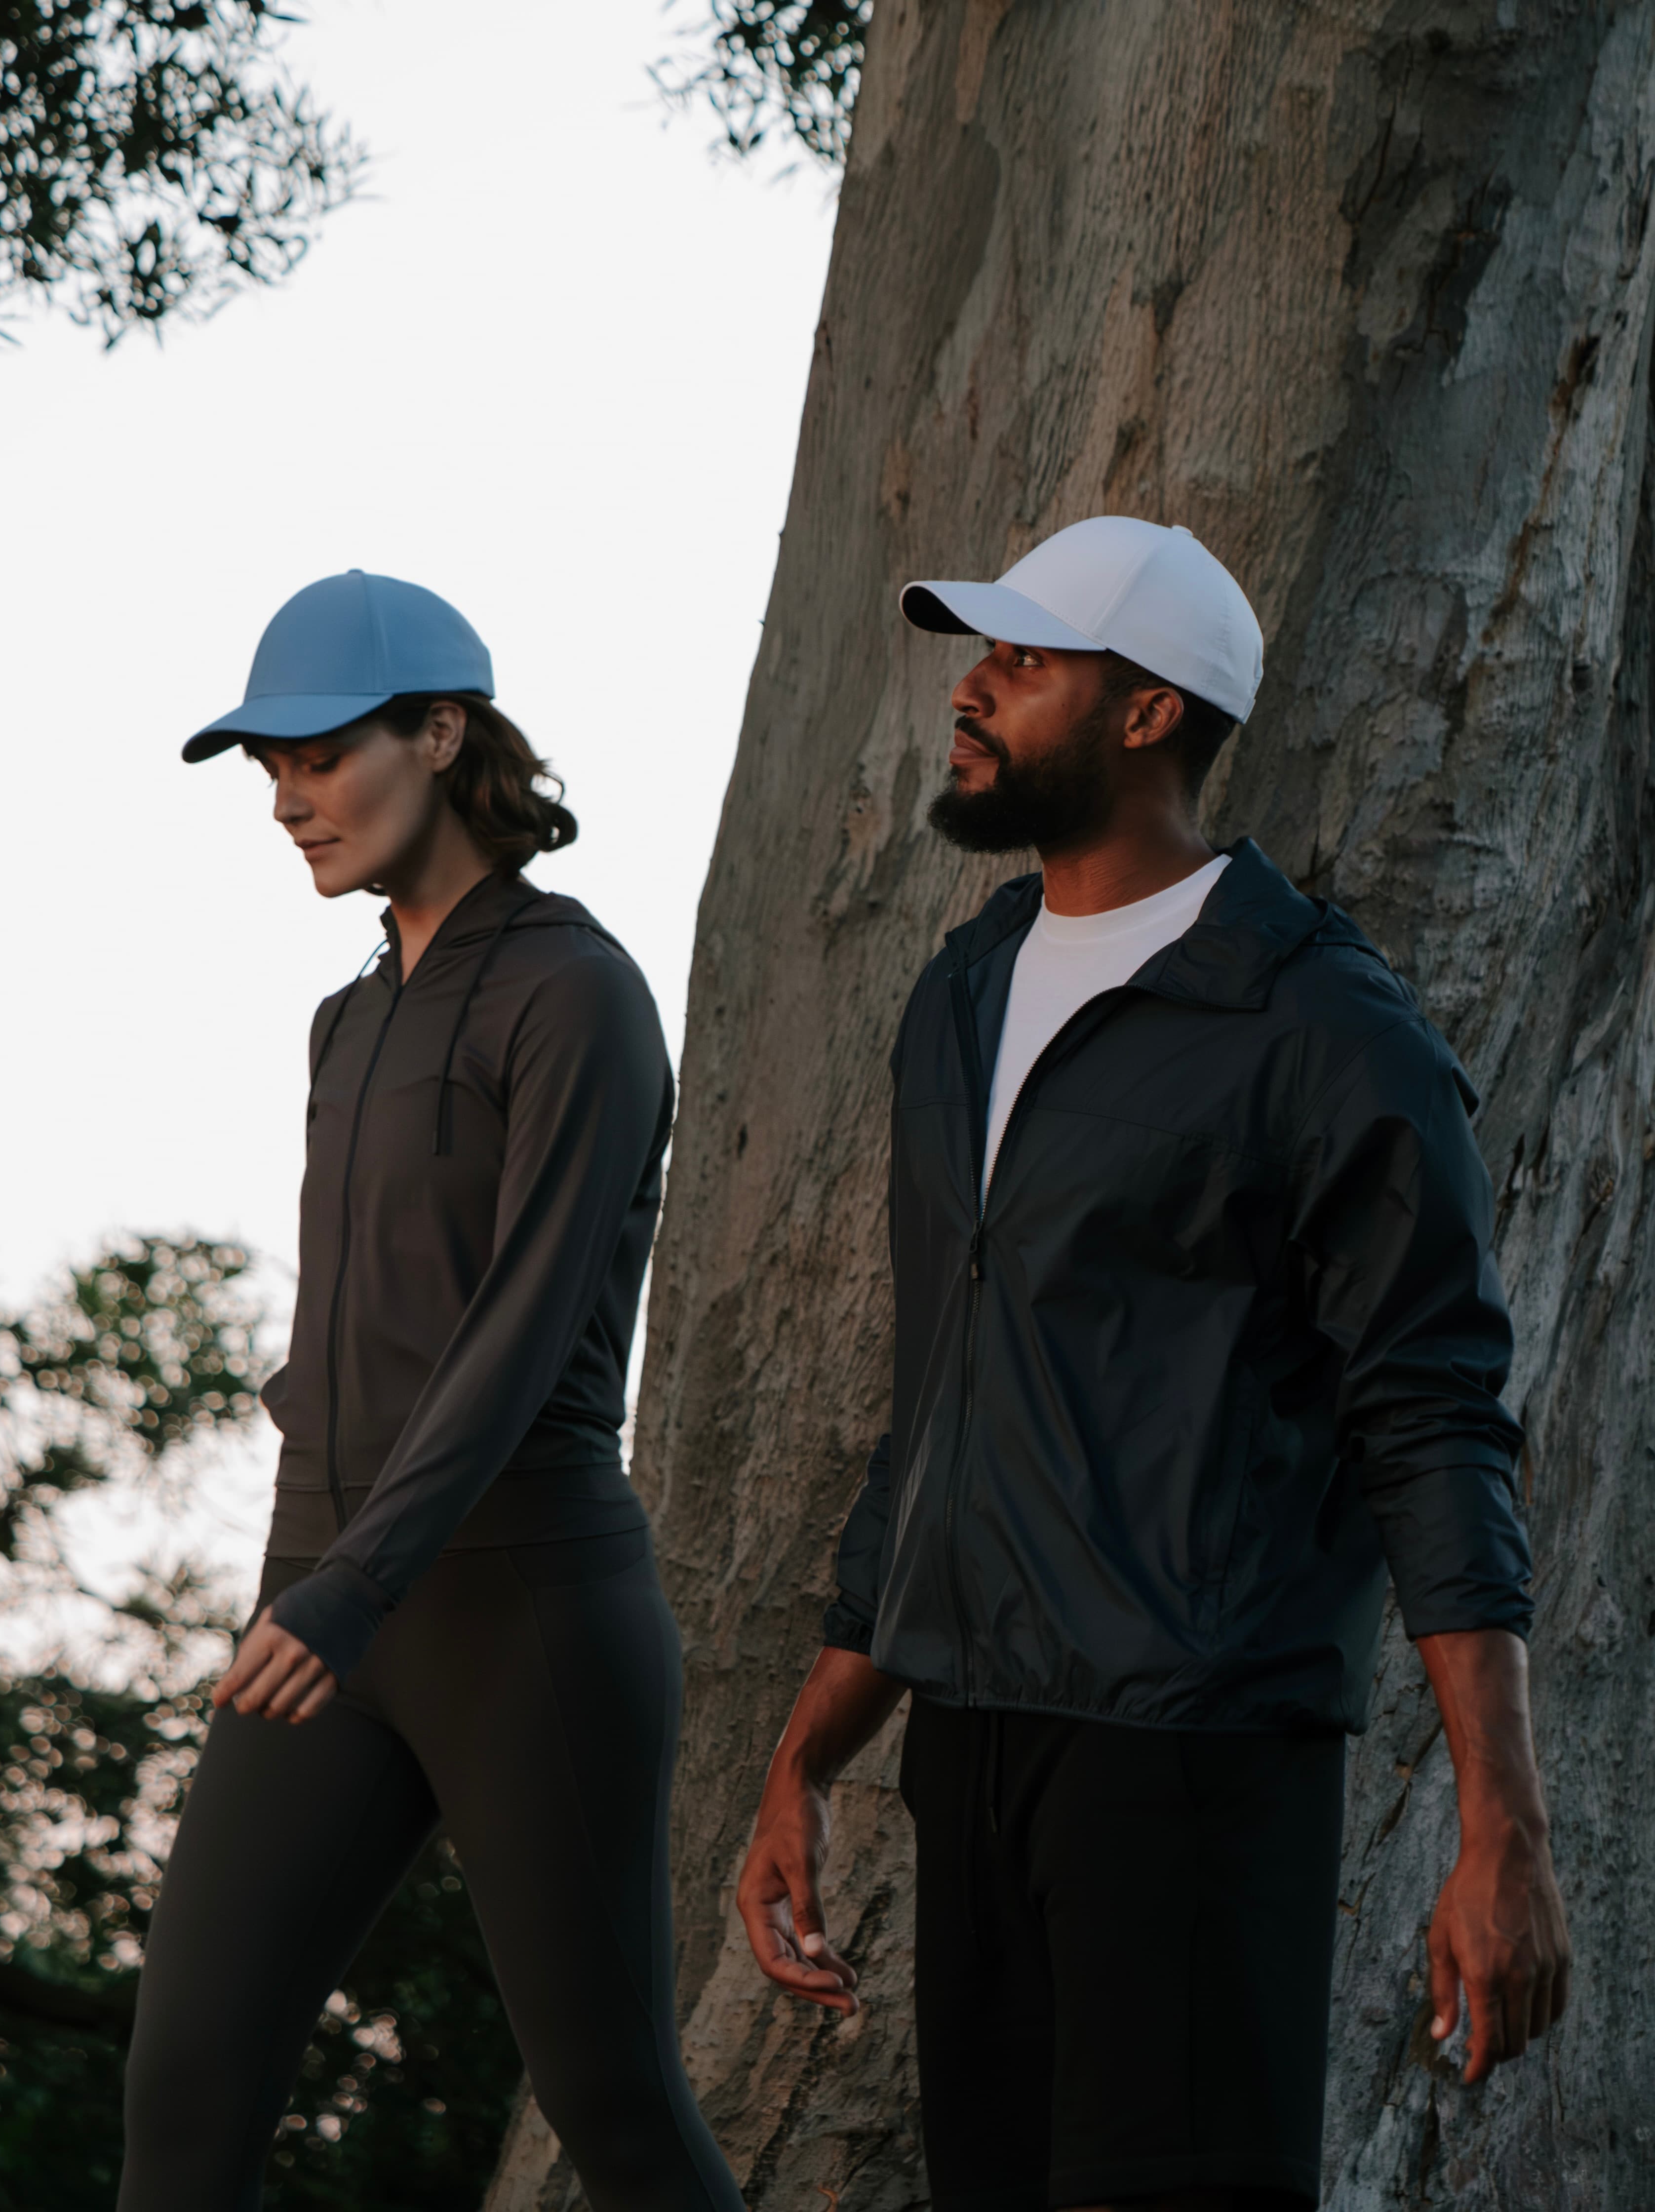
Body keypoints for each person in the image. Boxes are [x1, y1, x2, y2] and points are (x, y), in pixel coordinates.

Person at [735, 518, 1571, 2212]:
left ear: (1144, 717)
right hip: (969, 1742)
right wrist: (808, 1755)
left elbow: (1433, 1423)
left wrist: (1506, 1826)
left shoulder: (1326, 1029)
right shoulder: (963, 994)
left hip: (1188, 1761)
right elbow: (949, 1406)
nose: (970, 689)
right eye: (985, 654)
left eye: (1023, 663)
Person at [118, 570, 743, 2212]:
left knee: (610, 2101)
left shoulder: (574, 993)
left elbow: (522, 1330)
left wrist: (353, 1581)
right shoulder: (348, 1020)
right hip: (324, 1588)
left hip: (519, 1601)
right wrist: (311, 1473)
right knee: (183, 2094)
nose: (286, 801)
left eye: (317, 757)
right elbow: (371, 1303)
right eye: (268, 770)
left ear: (443, 734)